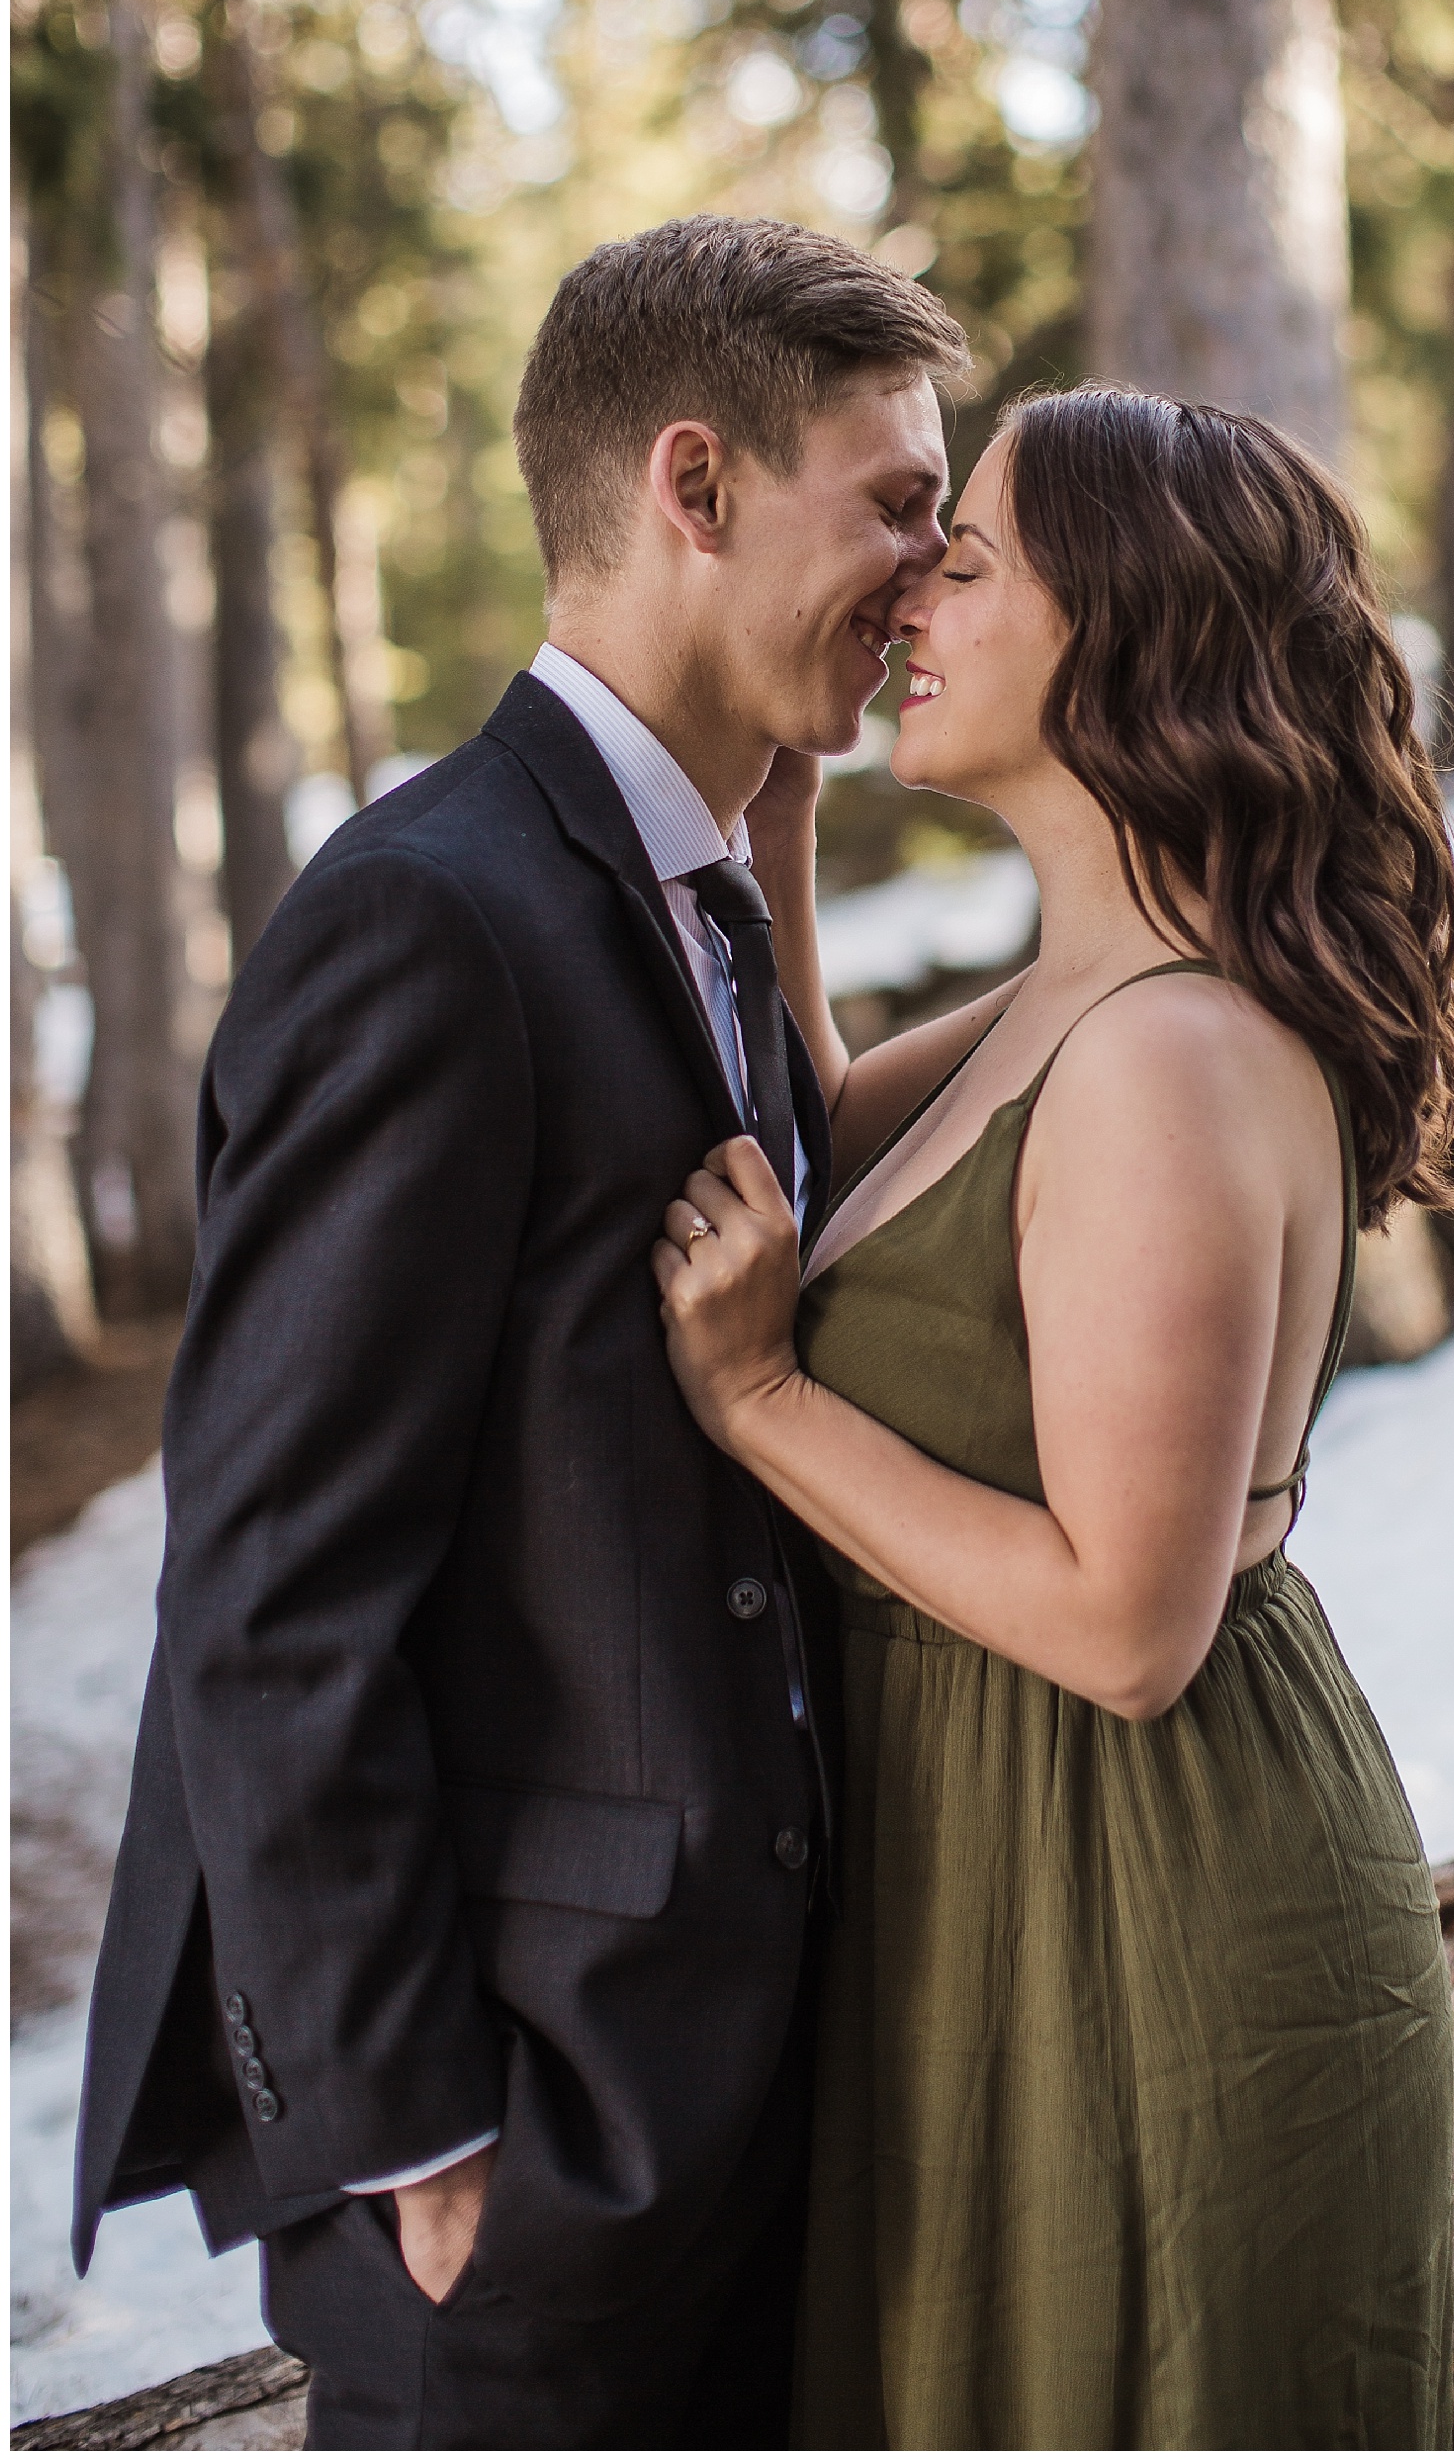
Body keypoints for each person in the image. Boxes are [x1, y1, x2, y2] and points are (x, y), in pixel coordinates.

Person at [72, 214, 966, 2450]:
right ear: (696, 484)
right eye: (897, 504)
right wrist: (417, 2137)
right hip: (532, 2149)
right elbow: (271, 1580)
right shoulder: (425, 918)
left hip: (739, 2101)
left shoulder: (702, 887)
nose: (932, 572)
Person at [654, 382, 1454, 2450]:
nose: (916, 588)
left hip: (1143, 1883)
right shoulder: (1079, 996)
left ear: (1125, 629)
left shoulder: (1168, 1056)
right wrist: (774, 808)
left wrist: (759, 1397)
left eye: (978, 554)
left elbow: (1131, 1624)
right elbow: (828, 1149)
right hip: (1011, 1864)